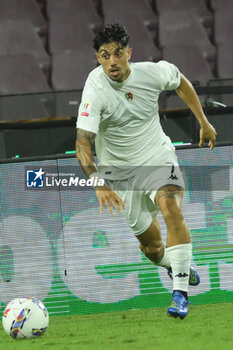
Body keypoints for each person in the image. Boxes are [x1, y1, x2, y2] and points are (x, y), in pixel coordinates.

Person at [76, 23, 217, 319]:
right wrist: (98, 182)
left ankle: (180, 294)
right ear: (97, 58)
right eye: (104, 55)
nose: (112, 61)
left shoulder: (150, 73)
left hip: (156, 156)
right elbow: (82, 143)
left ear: (129, 52)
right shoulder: (95, 89)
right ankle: (175, 265)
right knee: (152, 249)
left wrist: (203, 122)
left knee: (171, 209)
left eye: (118, 53)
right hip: (120, 173)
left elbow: (179, 81)